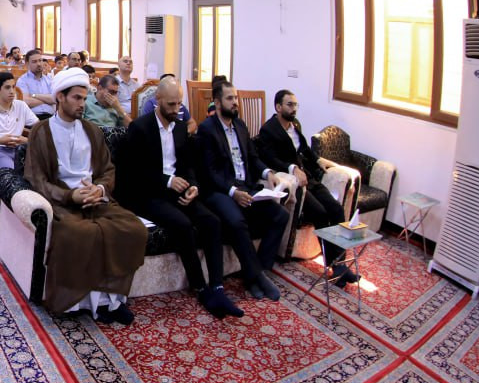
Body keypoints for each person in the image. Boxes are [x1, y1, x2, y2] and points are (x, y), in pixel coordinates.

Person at [21, 68, 148, 323]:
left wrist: (99, 189)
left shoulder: (92, 130)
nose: (82, 104)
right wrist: (72, 197)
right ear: (60, 97)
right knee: (81, 233)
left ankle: (112, 302)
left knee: (133, 228)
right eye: (77, 98)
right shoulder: (41, 131)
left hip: (96, 199)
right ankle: (80, 304)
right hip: (63, 203)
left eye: (84, 98)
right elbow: (37, 180)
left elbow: (107, 170)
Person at [123, 78, 242, 318]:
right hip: (148, 194)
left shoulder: (179, 127)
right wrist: (167, 181)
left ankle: (217, 287)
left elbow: (188, 165)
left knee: (212, 221)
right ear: (157, 101)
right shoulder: (140, 127)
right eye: (171, 104)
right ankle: (201, 288)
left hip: (177, 190)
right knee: (183, 224)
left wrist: (193, 186)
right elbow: (133, 172)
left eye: (179, 104)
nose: (176, 109)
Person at [198, 81, 290, 301]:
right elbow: (209, 173)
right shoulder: (207, 129)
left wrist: (267, 172)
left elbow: (253, 157)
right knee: (236, 221)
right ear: (217, 102)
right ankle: (255, 276)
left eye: (236, 98)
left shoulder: (240, 125)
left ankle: (258, 273)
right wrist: (233, 192)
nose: (235, 102)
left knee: (280, 215)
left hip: (246, 186)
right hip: (220, 191)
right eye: (230, 98)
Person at [256, 89, 357, 286]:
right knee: (320, 213)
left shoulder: (294, 126)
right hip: (294, 182)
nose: (294, 109)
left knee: (336, 209)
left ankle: (340, 264)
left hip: (308, 178)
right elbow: (269, 158)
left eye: (295, 105)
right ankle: (336, 266)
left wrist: (318, 160)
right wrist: (292, 168)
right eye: (289, 105)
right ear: (278, 107)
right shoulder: (269, 130)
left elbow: (304, 149)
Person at [17, 49, 56, 119]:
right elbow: (26, 102)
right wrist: (47, 100)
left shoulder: (49, 80)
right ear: (27, 64)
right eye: (34, 62)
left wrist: (33, 95)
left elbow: (54, 99)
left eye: (40, 60)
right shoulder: (22, 81)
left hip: (51, 117)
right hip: (32, 118)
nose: (38, 64)